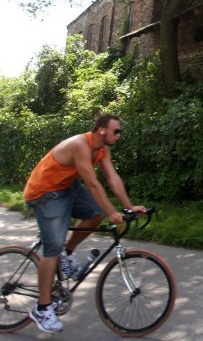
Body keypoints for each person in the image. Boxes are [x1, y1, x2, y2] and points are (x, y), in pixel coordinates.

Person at [23, 114, 145, 333]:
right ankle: (42, 308)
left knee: (96, 213)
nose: (119, 135)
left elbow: (111, 178)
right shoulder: (81, 145)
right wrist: (113, 212)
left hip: (65, 187)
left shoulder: (102, 149)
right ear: (102, 131)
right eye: (116, 131)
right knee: (52, 249)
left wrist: (129, 207)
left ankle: (68, 252)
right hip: (44, 193)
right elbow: (92, 184)